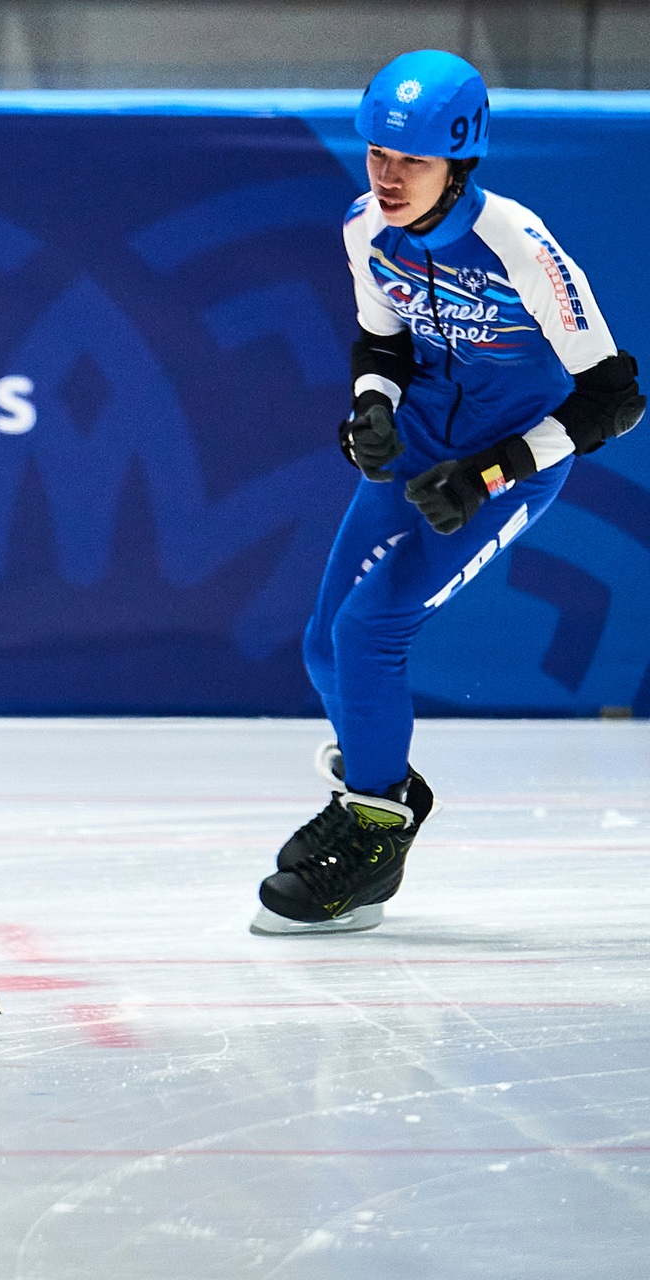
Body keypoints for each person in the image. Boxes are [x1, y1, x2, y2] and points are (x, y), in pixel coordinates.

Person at [251, 50, 644, 935]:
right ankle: (377, 793)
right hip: (420, 451)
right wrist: (372, 409)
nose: (388, 178)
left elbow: (615, 398)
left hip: (513, 466)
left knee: (371, 630)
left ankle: (376, 833)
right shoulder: (364, 229)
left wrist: (490, 473)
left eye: (412, 162)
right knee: (324, 648)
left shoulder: (517, 244)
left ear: (459, 160)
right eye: (378, 157)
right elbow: (381, 343)